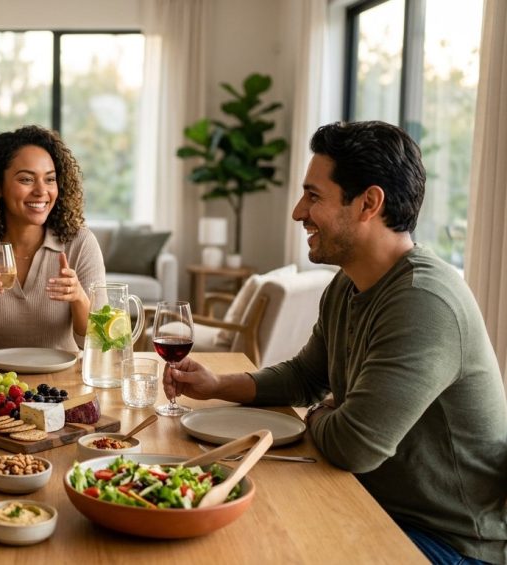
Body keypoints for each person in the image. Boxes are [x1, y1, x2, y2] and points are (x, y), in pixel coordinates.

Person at [164, 121, 506, 564]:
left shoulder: (424, 301)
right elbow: (307, 376)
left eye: (313, 196)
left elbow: (354, 446)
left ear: (369, 203)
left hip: (447, 542)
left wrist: (320, 412)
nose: (298, 212)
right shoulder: (347, 285)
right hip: (370, 502)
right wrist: (217, 385)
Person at [0, 125, 105, 352]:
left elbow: (101, 341)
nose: (41, 191)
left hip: (62, 382)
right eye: (27, 180)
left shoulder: (80, 242)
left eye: (49, 179)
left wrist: (79, 298)